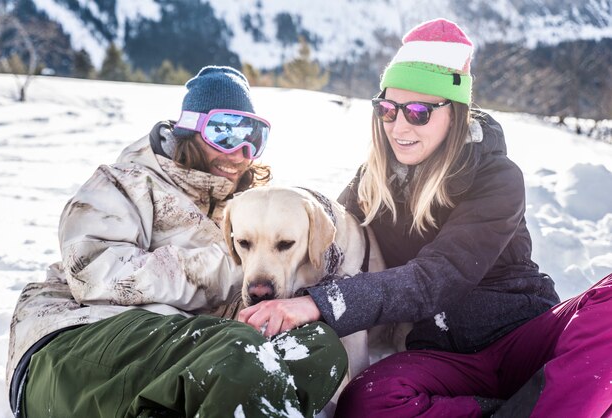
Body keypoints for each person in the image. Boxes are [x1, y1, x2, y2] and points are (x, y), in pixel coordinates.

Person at [238, 19, 612, 417]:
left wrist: (319, 304)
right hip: (442, 358)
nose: (399, 127)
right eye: (387, 109)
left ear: (456, 113)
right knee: (367, 402)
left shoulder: (497, 178)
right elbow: (336, 237)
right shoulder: (373, 182)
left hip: (522, 339)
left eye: (418, 111)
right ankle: (539, 406)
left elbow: (438, 276)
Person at [6, 66, 347, 418]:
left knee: (320, 347)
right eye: (224, 132)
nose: (239, 152)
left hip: (190, 355)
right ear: (190, 129)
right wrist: (227, 267)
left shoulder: (251, 208)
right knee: (239, 349)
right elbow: (93, 271)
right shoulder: (127, 183)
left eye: (253, 137)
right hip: (77, 345)